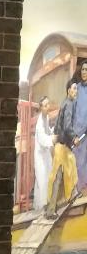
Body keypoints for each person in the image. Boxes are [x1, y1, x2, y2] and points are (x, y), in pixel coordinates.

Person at [47, 79, 82, 218]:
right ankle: (50, 210)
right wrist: (74, 138)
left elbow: (59, 126)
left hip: (63, 145)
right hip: (61, 146)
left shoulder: (67, 103)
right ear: (68, 90)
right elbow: (67, 127)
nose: (76, 91)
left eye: (76, 89)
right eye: (74, 88)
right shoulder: (68, 104)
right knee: (58, 176)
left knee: (70, 167)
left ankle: (72, 194)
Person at [33, 96, 54, 212]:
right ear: (41, 108)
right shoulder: (39, 122)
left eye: (48, 104)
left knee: (48, 177)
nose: (48, 107)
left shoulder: (46, 118)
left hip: (45, 154)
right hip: (40, 156)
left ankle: (45, 205)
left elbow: (48, 131)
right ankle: (44, 208)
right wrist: (52, 139)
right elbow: (42, 139)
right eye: (45, 106)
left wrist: (53, 131)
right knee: (42, 179)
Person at [73, 61, 87, 192]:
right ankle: (77, 190)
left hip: (86, 131)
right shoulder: (76, 88)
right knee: (76, 161)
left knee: (84, 162)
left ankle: (83, 190)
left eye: (86, 70)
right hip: (76, 131)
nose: (84, 72)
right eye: (83, 69)